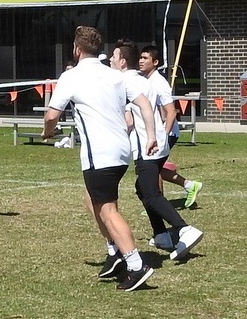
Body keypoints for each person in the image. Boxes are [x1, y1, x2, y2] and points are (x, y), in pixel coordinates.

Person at [42, 26, 157, 291]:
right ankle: (114, 250)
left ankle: (136, 264)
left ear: (77, 49)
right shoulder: (115, 75)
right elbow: (143, 104)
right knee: (90, 197)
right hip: (121, 150)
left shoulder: (71, 77)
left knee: (107, 209)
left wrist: (48, 133)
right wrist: (150, 135)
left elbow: (51, 116)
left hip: (100, 153)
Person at [111, 40, 203, 261]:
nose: (110, 61)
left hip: (147, 146)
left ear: (123, 62)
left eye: (113, 57)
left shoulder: (125, 83)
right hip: (157, 145)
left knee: (150, 193)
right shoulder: (144, 81)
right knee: (143, 189)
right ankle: (161, 235)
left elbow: (130, 118)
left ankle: (183, 229)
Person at [139, 45, 203, 208]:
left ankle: (156, 204)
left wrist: (163, 136)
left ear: (155, 62)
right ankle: (189, 185)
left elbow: (172, 112)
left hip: (166, 134)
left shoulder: (158, 83)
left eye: (145, 58)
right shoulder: (148, 81)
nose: (141, 61)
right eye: (140, 57)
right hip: (158, 133)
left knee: (153, 169)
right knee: (156, 169)